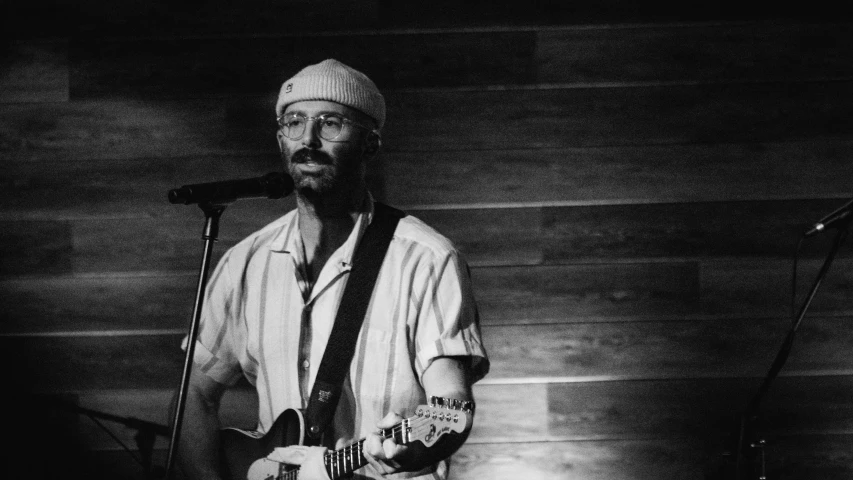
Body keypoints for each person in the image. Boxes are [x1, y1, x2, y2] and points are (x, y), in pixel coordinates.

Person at [178, 59, 489, 480]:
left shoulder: (426, 258)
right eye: (294, 122)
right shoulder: (245, 261)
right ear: (280, 138)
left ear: (370, 144)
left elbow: (451, 404)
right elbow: (193, 395)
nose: (308, 139)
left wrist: (409, 452)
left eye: (330, 123)